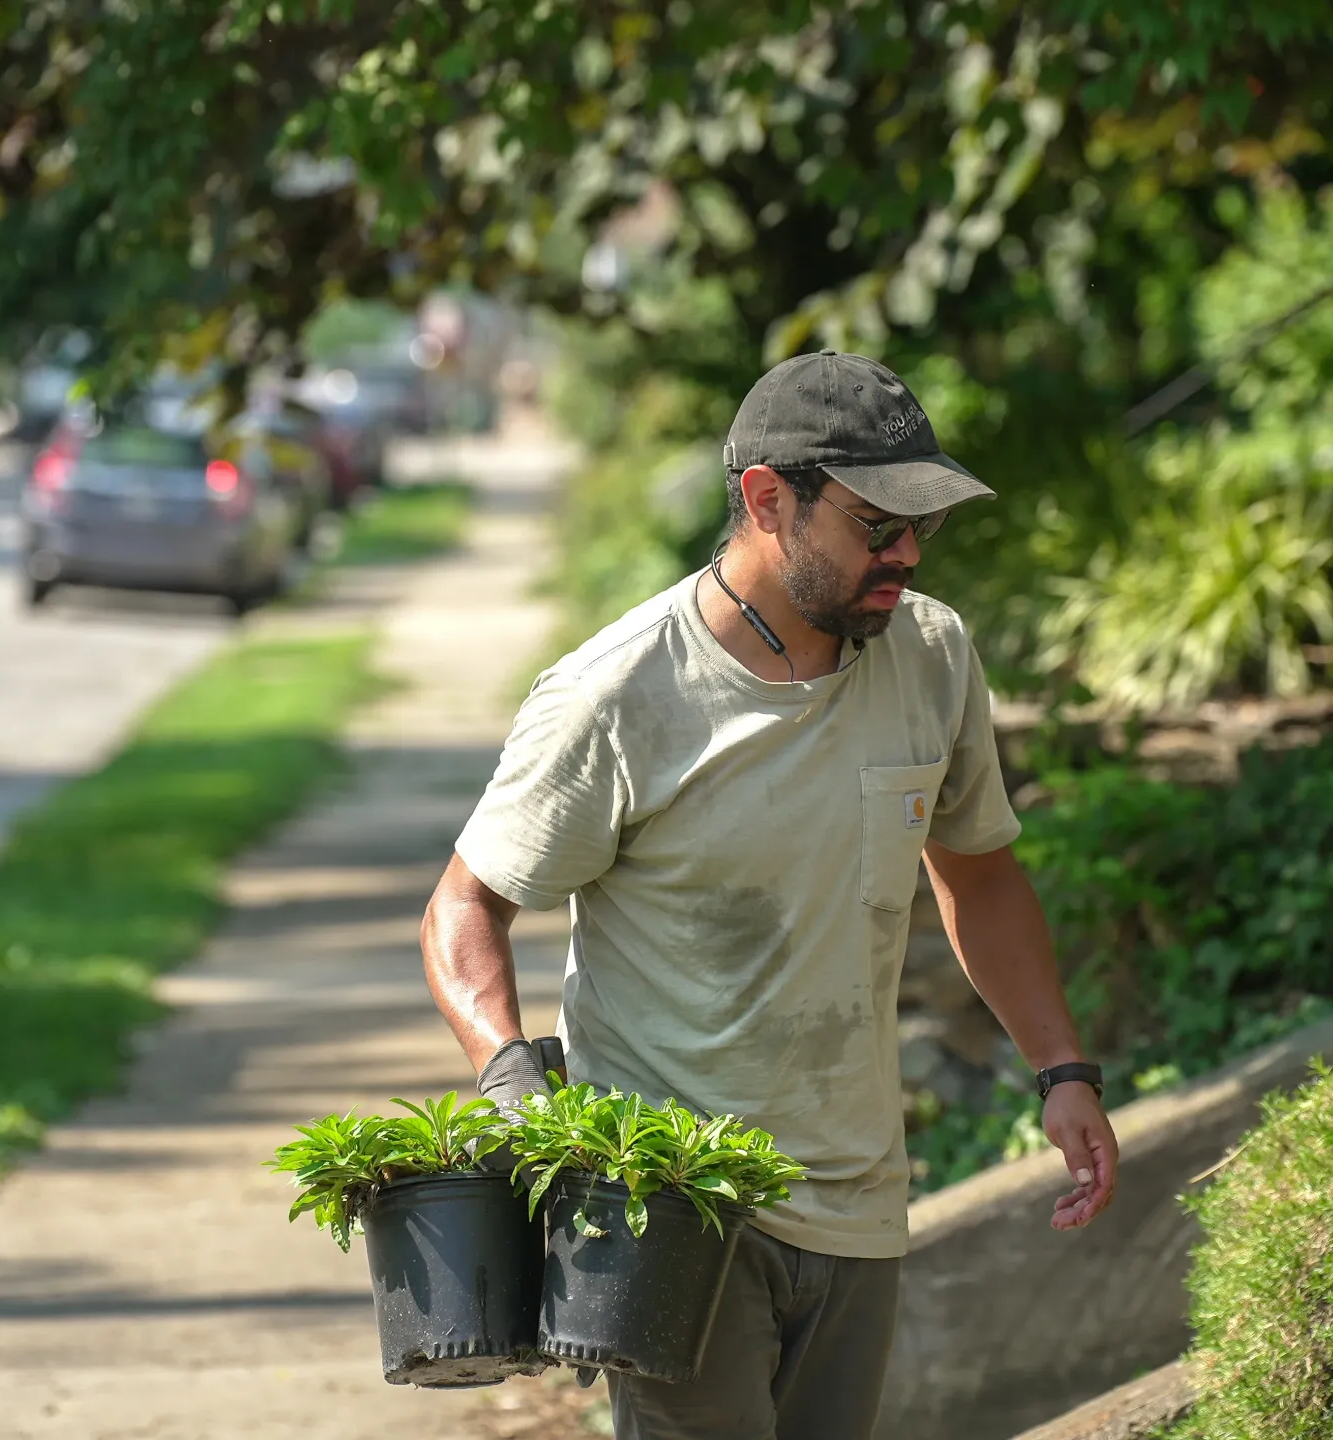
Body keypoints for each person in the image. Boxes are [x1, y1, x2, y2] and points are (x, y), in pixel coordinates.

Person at [421, 350, 1119, 1440]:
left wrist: (1060, 1068)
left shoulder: (930, 656)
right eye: (877, 523)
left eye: (923, 526)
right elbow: (464, 908)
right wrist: (513, 1082)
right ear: (765, 500)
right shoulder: (617, 695)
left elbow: (976, 876)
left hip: (857, 1194)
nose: (908, 554)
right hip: (664, 1204)